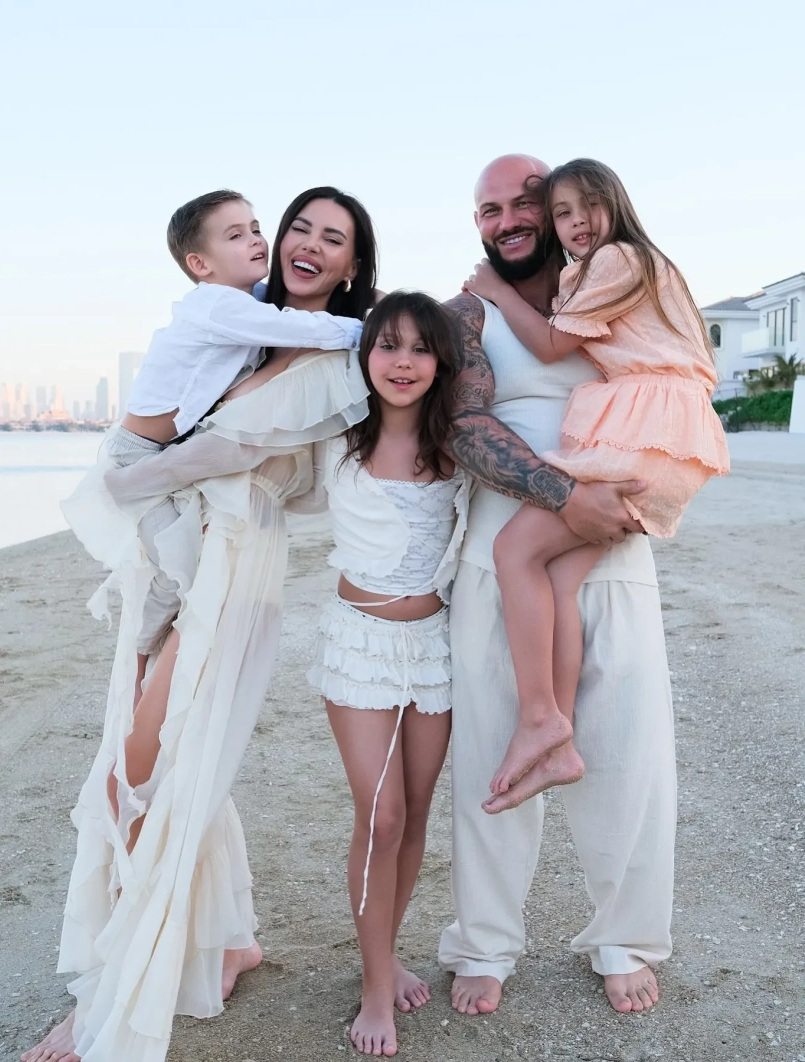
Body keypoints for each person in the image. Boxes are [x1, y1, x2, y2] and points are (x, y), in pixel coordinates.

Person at [22, 187, 378, 1062]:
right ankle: (229, 940)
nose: (303, 243)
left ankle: (113, 993)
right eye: (296, 227)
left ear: (352, 266)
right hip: (186, 559)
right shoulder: (244, 333)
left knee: (142, 777)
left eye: (332, 238)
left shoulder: (339, 360)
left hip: (235, 569)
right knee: (162, 760)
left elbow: (253, 464)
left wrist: (124, 482)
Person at [437, 154, 677, 1018]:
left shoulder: (613, 286)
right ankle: (485, 941)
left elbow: (670, 386)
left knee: (628, 753)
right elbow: (461, 424)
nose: (506, 220)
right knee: (491, 754)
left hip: (613, 549)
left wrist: (631, 494)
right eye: (488, 209)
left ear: (564, 207)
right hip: (501, 553)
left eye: (524, 202)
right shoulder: (468, 312)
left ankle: (626, 936)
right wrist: (562, 495)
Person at [462, 158, 729, 804]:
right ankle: (557, 738)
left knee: (512, 551)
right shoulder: (601, 269)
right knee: (555, 579)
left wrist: (495, 291)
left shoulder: (619, 260)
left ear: (618, 204)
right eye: (564, 212)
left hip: (651, 434)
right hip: (664, 436)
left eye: (589, 207)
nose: (577, 222)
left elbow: (552, 345)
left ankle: (539, 717)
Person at [106, 188, 362, 698]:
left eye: (256, 229)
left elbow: (277, 303)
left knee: (183, 564)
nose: (256, 241)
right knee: (180, 567)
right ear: (200, 265)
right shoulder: (219, 305)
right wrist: (367, 330)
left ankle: (152, 652)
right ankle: (140, 651)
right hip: (138, 458)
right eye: (237, 235)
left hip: (165, 453)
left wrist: (369, 296)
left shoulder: (244, 301)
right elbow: (292, 323)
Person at [306, 291, 468, 1057]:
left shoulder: (459, 447)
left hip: (433, 644)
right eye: (387, 345)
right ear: (364, 355)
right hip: (360, 643)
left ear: (441, 363)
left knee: (417, 811)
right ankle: (375, 989)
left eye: (421, 348)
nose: (403, 362)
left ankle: (388, 952)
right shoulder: (335, 439)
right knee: (382, 816)